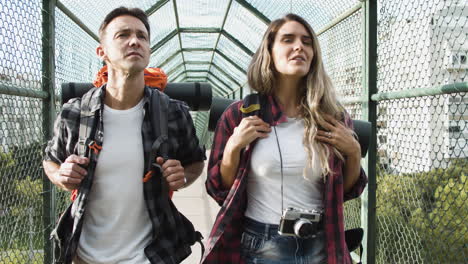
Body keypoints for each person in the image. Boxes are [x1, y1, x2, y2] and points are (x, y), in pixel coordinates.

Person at [43, 7, 205, 264]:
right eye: (123, 35)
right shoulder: (74, 113)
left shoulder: (173, 113)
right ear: (101, 51)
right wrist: (61, 176)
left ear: (149, 50)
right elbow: (50, 160)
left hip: (152, 256)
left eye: (142, 36)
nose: (134, 41)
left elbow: (195, 161)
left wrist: (182, 177)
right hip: (84, 256)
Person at [203, 13, 367, 264]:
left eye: (306, 41)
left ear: (313, 55)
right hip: (261, 243)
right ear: (269, 51)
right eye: (288, 40)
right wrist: (233, 147)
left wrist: (354, 153)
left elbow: (345, 192)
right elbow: (219, 189)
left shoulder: (331, 117)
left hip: (322, 244)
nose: (299, 46)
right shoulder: (240, 115)